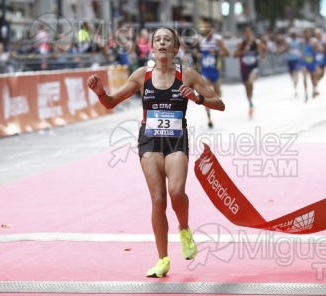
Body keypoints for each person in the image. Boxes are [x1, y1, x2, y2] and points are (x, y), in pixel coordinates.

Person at [87, 27, 225, 278]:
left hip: (176, 140)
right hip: (149, 141)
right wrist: (100, 92)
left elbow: (220, 104)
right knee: (159, 200)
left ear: (175, 49)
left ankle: (184, 230)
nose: (162, 42)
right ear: (151, 47)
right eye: (157, 39)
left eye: (167, 40)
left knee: (176, 192)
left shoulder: (188, 75)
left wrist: (197, 99)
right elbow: (111, 102)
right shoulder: (142, 75)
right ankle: (163, 260)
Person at [198, 20, 230, 128]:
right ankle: (209, 117)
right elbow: (197, 54)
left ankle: (216, 97)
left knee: (217, 95)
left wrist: (216, 52)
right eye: (205, 28)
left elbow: (227, 53)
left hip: (215, 71)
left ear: (212, 29)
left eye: (208, 28)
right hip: (205, 71)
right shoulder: (200, 41)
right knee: (205, 94)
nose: (206, 30)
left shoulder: (218, 40)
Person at [233, 25, 266, 119]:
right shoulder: (241, 43)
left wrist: (261, 57)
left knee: (250, 82)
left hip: (253, 67)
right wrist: (243, 51)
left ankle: (251, 102)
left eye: (249, 32)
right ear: (244, 33)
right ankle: (250, 102)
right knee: (247, 87)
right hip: (244, 69)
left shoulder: (256, 42)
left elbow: (265, 49)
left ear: (252, 33)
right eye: (246, 32)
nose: (248, 34)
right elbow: (235, 54)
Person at [300, 28, 319, 102]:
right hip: (304, 62)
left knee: (313, 77)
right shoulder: (301, 42)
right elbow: (301, 51)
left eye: (307, 33)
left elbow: (317, 49)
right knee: (304, 77)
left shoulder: (313, 41)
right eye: (304, 33)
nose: (305, 35)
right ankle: (305, 93)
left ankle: (314, 89)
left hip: (312, 61)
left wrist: (314, 45)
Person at [283, 28, 302, 97]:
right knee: (292, 74)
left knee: (296, 73)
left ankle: (296, 87)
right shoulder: (287, 41)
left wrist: (300, 53)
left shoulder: (299, 41)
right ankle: (294, 86)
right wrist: (289, 49)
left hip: (296, 59)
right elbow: (285, 48)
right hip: (290, 59)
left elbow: (301, 48)